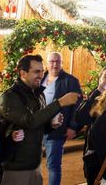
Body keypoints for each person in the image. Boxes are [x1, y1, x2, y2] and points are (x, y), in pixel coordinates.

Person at [0, 54, 80, 185]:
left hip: (35, 164)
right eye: (36, 71)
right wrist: (59, 103)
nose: (41, 75)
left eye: (41, 71)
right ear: (23, 73)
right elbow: (29, 121)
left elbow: (37, 125)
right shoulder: (9, 97)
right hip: (16, 167)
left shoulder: (37, 94)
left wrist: (51, 125)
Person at [71, 64, 106, 181]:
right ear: (100, 79)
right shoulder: (94, 97)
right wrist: (97, 92)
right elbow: (81, 119)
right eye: (105, 76)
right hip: (94, 155)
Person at [41, 51, 83, 185]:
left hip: (57, 129)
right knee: (34, 163)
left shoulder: (71, 81)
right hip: (38, 126)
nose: (54, 64)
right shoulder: (40, 79)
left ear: (62, 63)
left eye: (58, 61)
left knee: (53, 165)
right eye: (52, 61)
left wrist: (72, 126)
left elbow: (77, 107)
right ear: (47, 64)